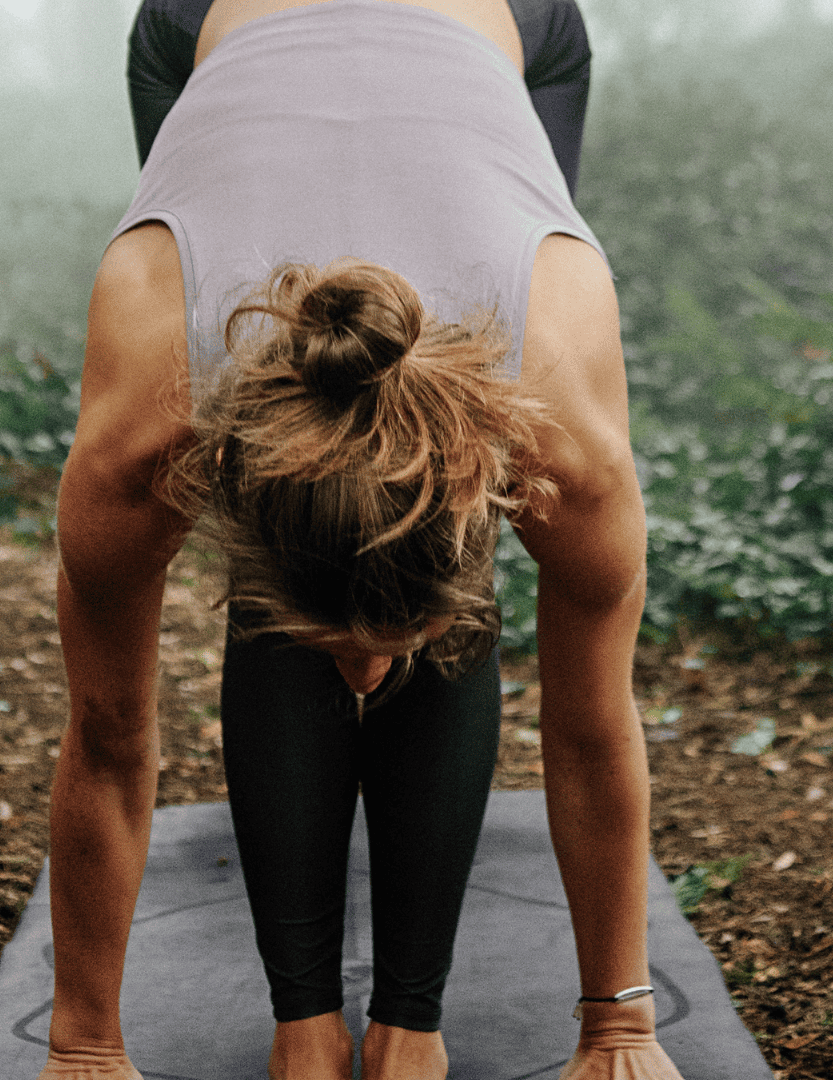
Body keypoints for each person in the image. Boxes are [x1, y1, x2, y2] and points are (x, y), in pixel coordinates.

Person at [42, 2, 683, 1079]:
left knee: (383, 570)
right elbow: (108, 742)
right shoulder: (146, 420)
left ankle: (407, 1026)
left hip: (501, 23)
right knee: (302, 538)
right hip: (208, 22)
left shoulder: (557, 416)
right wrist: (82, 1051)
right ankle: (305, 1025)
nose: (369, 676)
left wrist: (620, 1029)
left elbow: (591, 725)